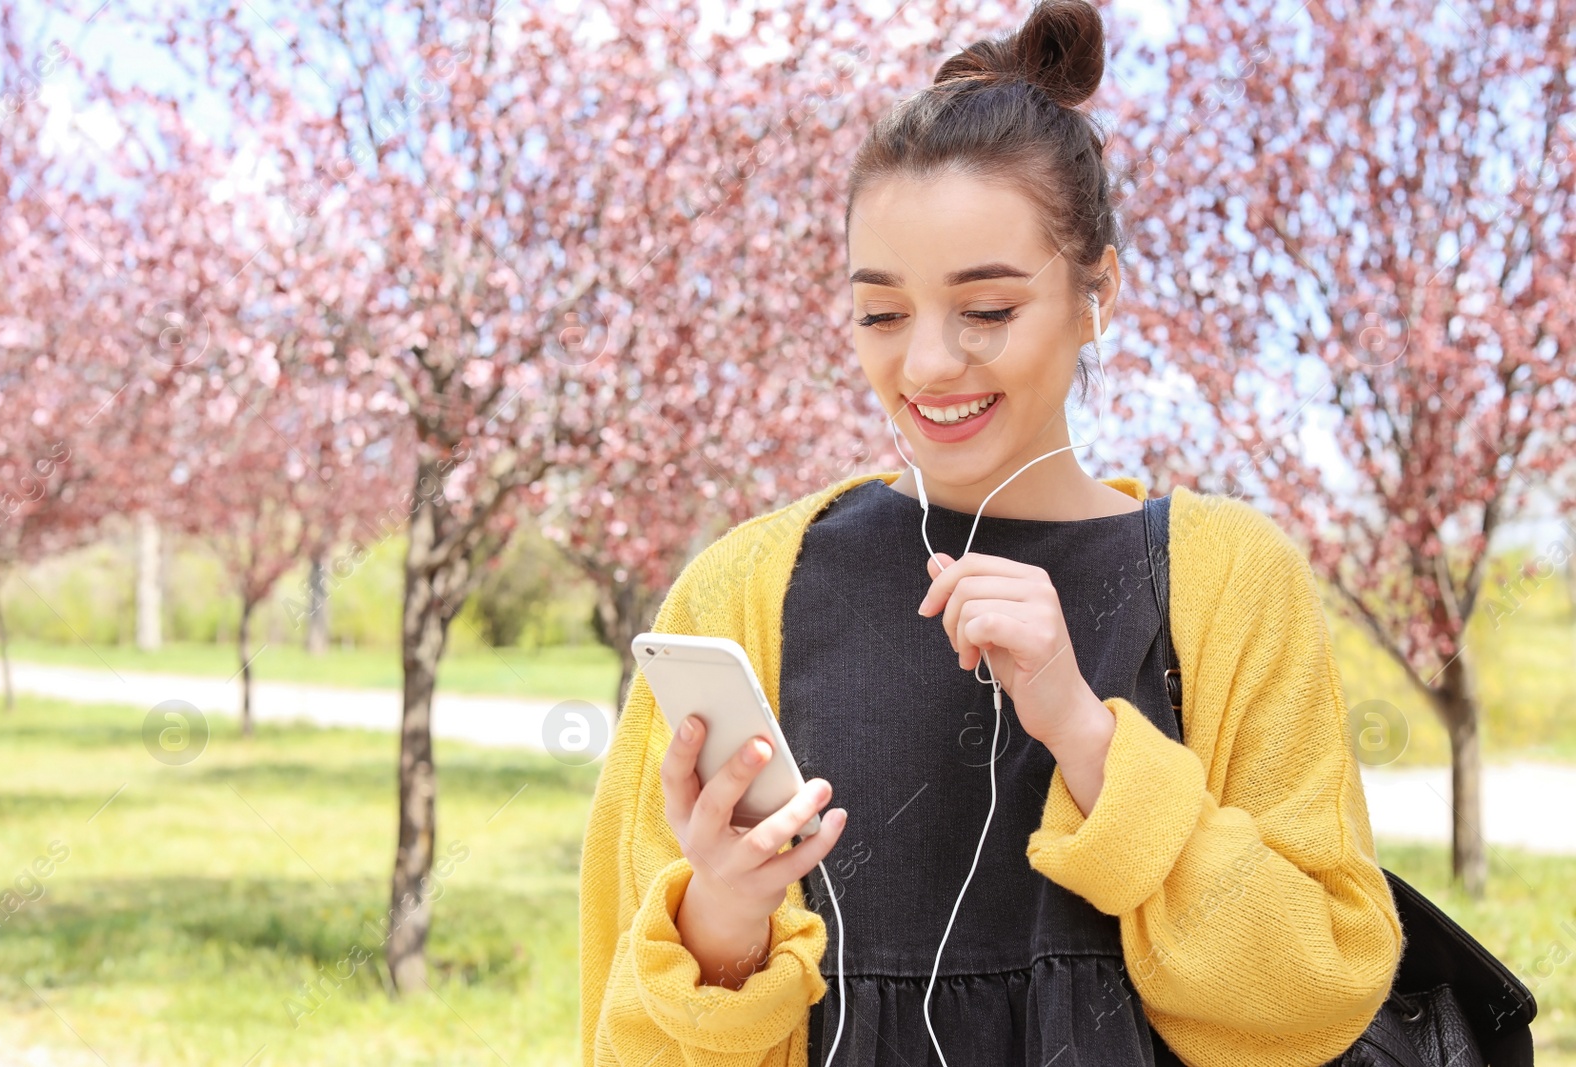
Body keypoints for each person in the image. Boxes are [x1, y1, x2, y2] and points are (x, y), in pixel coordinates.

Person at [577, 1, 1402, 1064]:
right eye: (881, 313)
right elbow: (621, 1029)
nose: (925, 365)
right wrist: (724, 925)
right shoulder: (742, 592)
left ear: (1095, 291)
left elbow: (1313, 993)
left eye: (987, 308)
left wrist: (1083, 732)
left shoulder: (1226, 581)